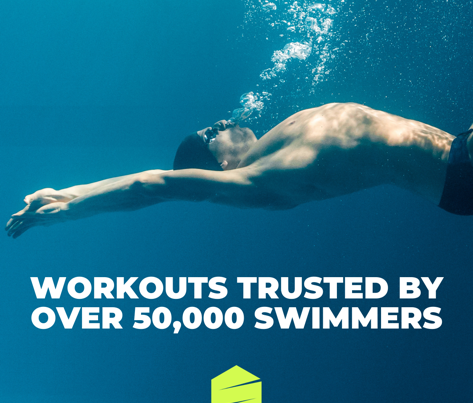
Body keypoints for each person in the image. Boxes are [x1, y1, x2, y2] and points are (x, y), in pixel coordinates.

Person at [6, 103, 473, 238]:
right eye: (212, 131)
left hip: (457, 154)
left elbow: (145, 176)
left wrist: (66, 191)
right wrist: (71, 212)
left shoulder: (275, 141)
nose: (223, 121)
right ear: (219, 163)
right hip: (459, 173)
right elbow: (151, 185)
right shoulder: (256, 179)